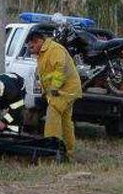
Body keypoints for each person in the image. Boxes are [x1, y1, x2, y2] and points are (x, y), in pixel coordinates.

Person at [27, 30, 82, 158]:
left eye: (31, 46)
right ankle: (69, 150)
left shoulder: (55, 49)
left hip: (64, 91)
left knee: (52, 118)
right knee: (65, 121)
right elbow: (46, 74)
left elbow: (60, 69)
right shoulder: (43, 53)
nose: (30, 49)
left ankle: (51, 150)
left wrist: (54, 88)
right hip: (64, 91)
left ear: (38, 41)